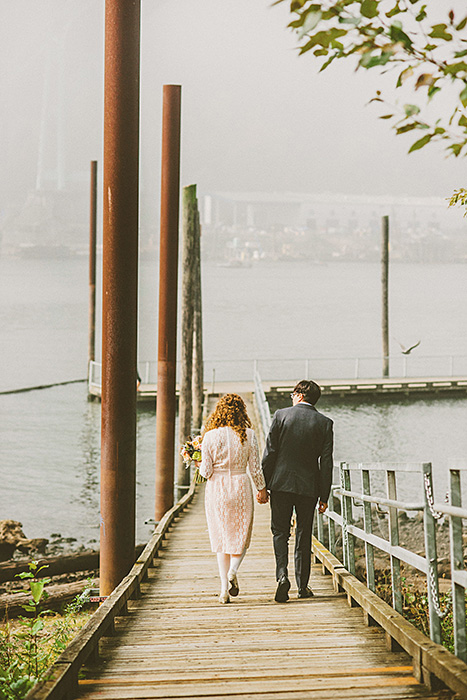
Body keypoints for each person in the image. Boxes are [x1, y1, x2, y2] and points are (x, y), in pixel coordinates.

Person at [261, 379, 334, 603]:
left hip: (281, 484)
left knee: (280, 532)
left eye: (292, 394)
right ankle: (302, 586)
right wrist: (324, 496)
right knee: (303, 533)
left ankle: (282, 576)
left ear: (299, 395)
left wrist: (263, 485)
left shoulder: (281, 416)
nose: (291, 398)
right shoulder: (325, 423)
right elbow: (327, 462)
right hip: (308, 487)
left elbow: (270, 453)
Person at [198, 393, 268, 603]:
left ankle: (223, 591)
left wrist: (197, 463)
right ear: (241, 412)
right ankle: (233, 571)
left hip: (217, 490)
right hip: (240, 485)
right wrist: (262, 489)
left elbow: (206, 472)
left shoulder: (210, 436)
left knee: (221, 540)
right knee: (240, 535)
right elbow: (255, 468)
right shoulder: (249, 434)